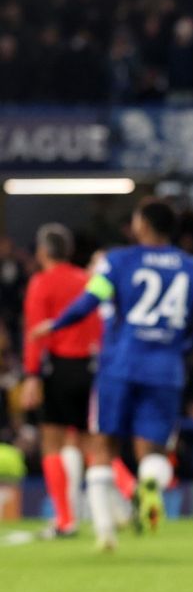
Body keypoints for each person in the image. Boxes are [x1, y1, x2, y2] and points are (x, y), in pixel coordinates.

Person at [33, 198, 193, 550]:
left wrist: (56, 324)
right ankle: (150, 482)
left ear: (142, 225)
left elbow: (90, 300)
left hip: (119, 366)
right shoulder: (192, 268)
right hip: (165, 369)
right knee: (153, 451)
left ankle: (105, 532)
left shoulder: (119, 261)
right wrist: (177, 347)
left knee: (102, 445)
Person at [20, 224, 102, 538]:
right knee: (93, 443)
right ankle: (126, 491)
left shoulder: (41, 282)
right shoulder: (88, 280)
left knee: (52, 442)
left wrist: (31, 375)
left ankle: (65, 520)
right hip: (92, 367)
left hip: (59, 368)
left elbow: (35, 332)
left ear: (43, 251)